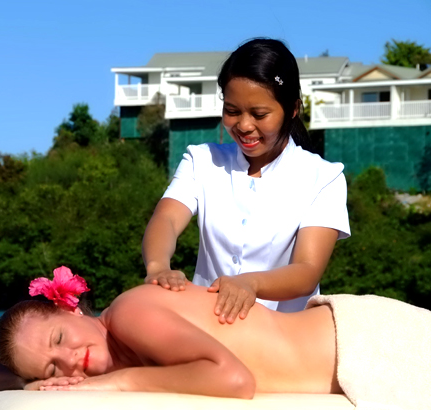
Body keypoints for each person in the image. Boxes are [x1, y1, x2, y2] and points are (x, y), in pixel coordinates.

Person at [142, 38, 350, 323]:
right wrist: (158, 267)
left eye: (259, 114)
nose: (244, 125)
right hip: (205, 328)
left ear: (292, 109)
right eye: (232, 111)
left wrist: (250, 284)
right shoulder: (201, 160)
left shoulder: (324, 178)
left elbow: (307, 270)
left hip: (284, 338)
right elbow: (166, 218)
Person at [0, 280, 431, 409]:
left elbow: (234, 380)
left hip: (372, 344)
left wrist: (116, 383)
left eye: (60, 338)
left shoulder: (130, 313)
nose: (68, 359)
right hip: (355, 351)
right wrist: (30, 381)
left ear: (73, 310)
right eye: (53, 369)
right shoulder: (113, 348)